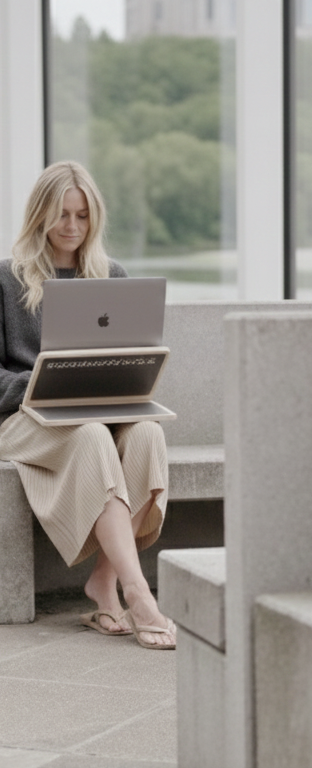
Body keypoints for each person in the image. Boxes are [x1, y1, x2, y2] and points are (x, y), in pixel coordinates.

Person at [0, 160, 175, 650]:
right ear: (40, 216)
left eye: (82, 216)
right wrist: (38, 384)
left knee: (146, 434)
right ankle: (137, 591)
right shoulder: (6, 279)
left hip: (96, 413)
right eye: (61, 216)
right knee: (94, 436)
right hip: (21, 420)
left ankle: (103, 582)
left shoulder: (110, 275)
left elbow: (125, 354)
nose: (72, 227)